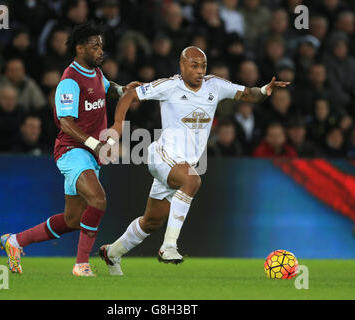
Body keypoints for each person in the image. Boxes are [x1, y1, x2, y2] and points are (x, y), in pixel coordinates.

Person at [98, 46, 289, 275]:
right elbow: (130, 94)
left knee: (151, 221)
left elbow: (248, 94)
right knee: (192, 181)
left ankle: (112, 253)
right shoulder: (169, 85)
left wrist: (265, 90)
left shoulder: (215, 86)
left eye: (203, 66)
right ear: (182, 65)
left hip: (181, 165)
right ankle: (168, 247)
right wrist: (118, 124)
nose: (200, 71)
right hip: (162, 155)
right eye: (194, 65)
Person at [0, 22, 140, 277]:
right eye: (95, 46)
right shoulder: (70, 80)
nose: (100, 51)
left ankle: (15, 242)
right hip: (72, 151)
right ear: (79, 48)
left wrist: (124, 89)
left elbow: (108, 88)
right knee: (98, 200)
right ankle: (81, 264)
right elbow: (65, 122)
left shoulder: (95, 73)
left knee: (73, 219)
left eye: (101, 46)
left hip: (89, 154)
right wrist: (94, 144)